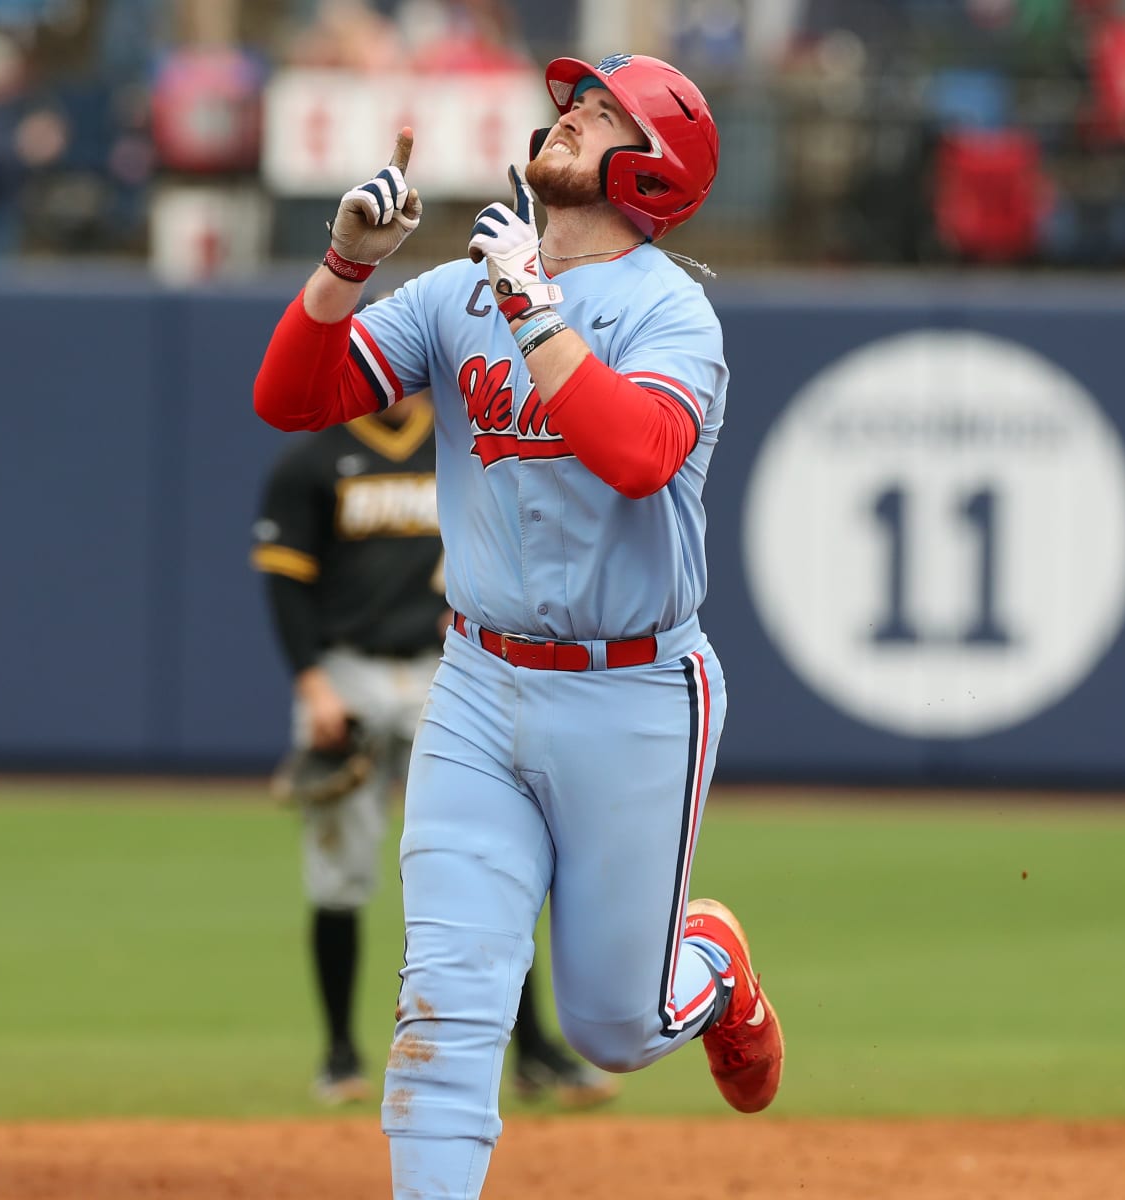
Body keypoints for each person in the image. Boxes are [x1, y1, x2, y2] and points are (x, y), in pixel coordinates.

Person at [253, 51, 784, 1199]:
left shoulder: (667, 308)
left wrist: (533, 307)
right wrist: (348, 263)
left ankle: (715, 968)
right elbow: (291, 399)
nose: (569, 115)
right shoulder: (460, 290)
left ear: (652, 170)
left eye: (601, 113)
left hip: (633, 689)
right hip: (480, 684)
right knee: (443, 1001)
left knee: (614, 1027)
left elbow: (640, 456)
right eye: (572, 103)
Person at [250, 389, 620, 1111]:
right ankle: (339, 1054)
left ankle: (535, 1051)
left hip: (445, 669)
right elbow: (285, 583)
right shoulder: (313, 460)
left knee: (491, 862)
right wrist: (313, 687)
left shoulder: (462, 447)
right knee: (340, 873)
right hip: (347, 674)